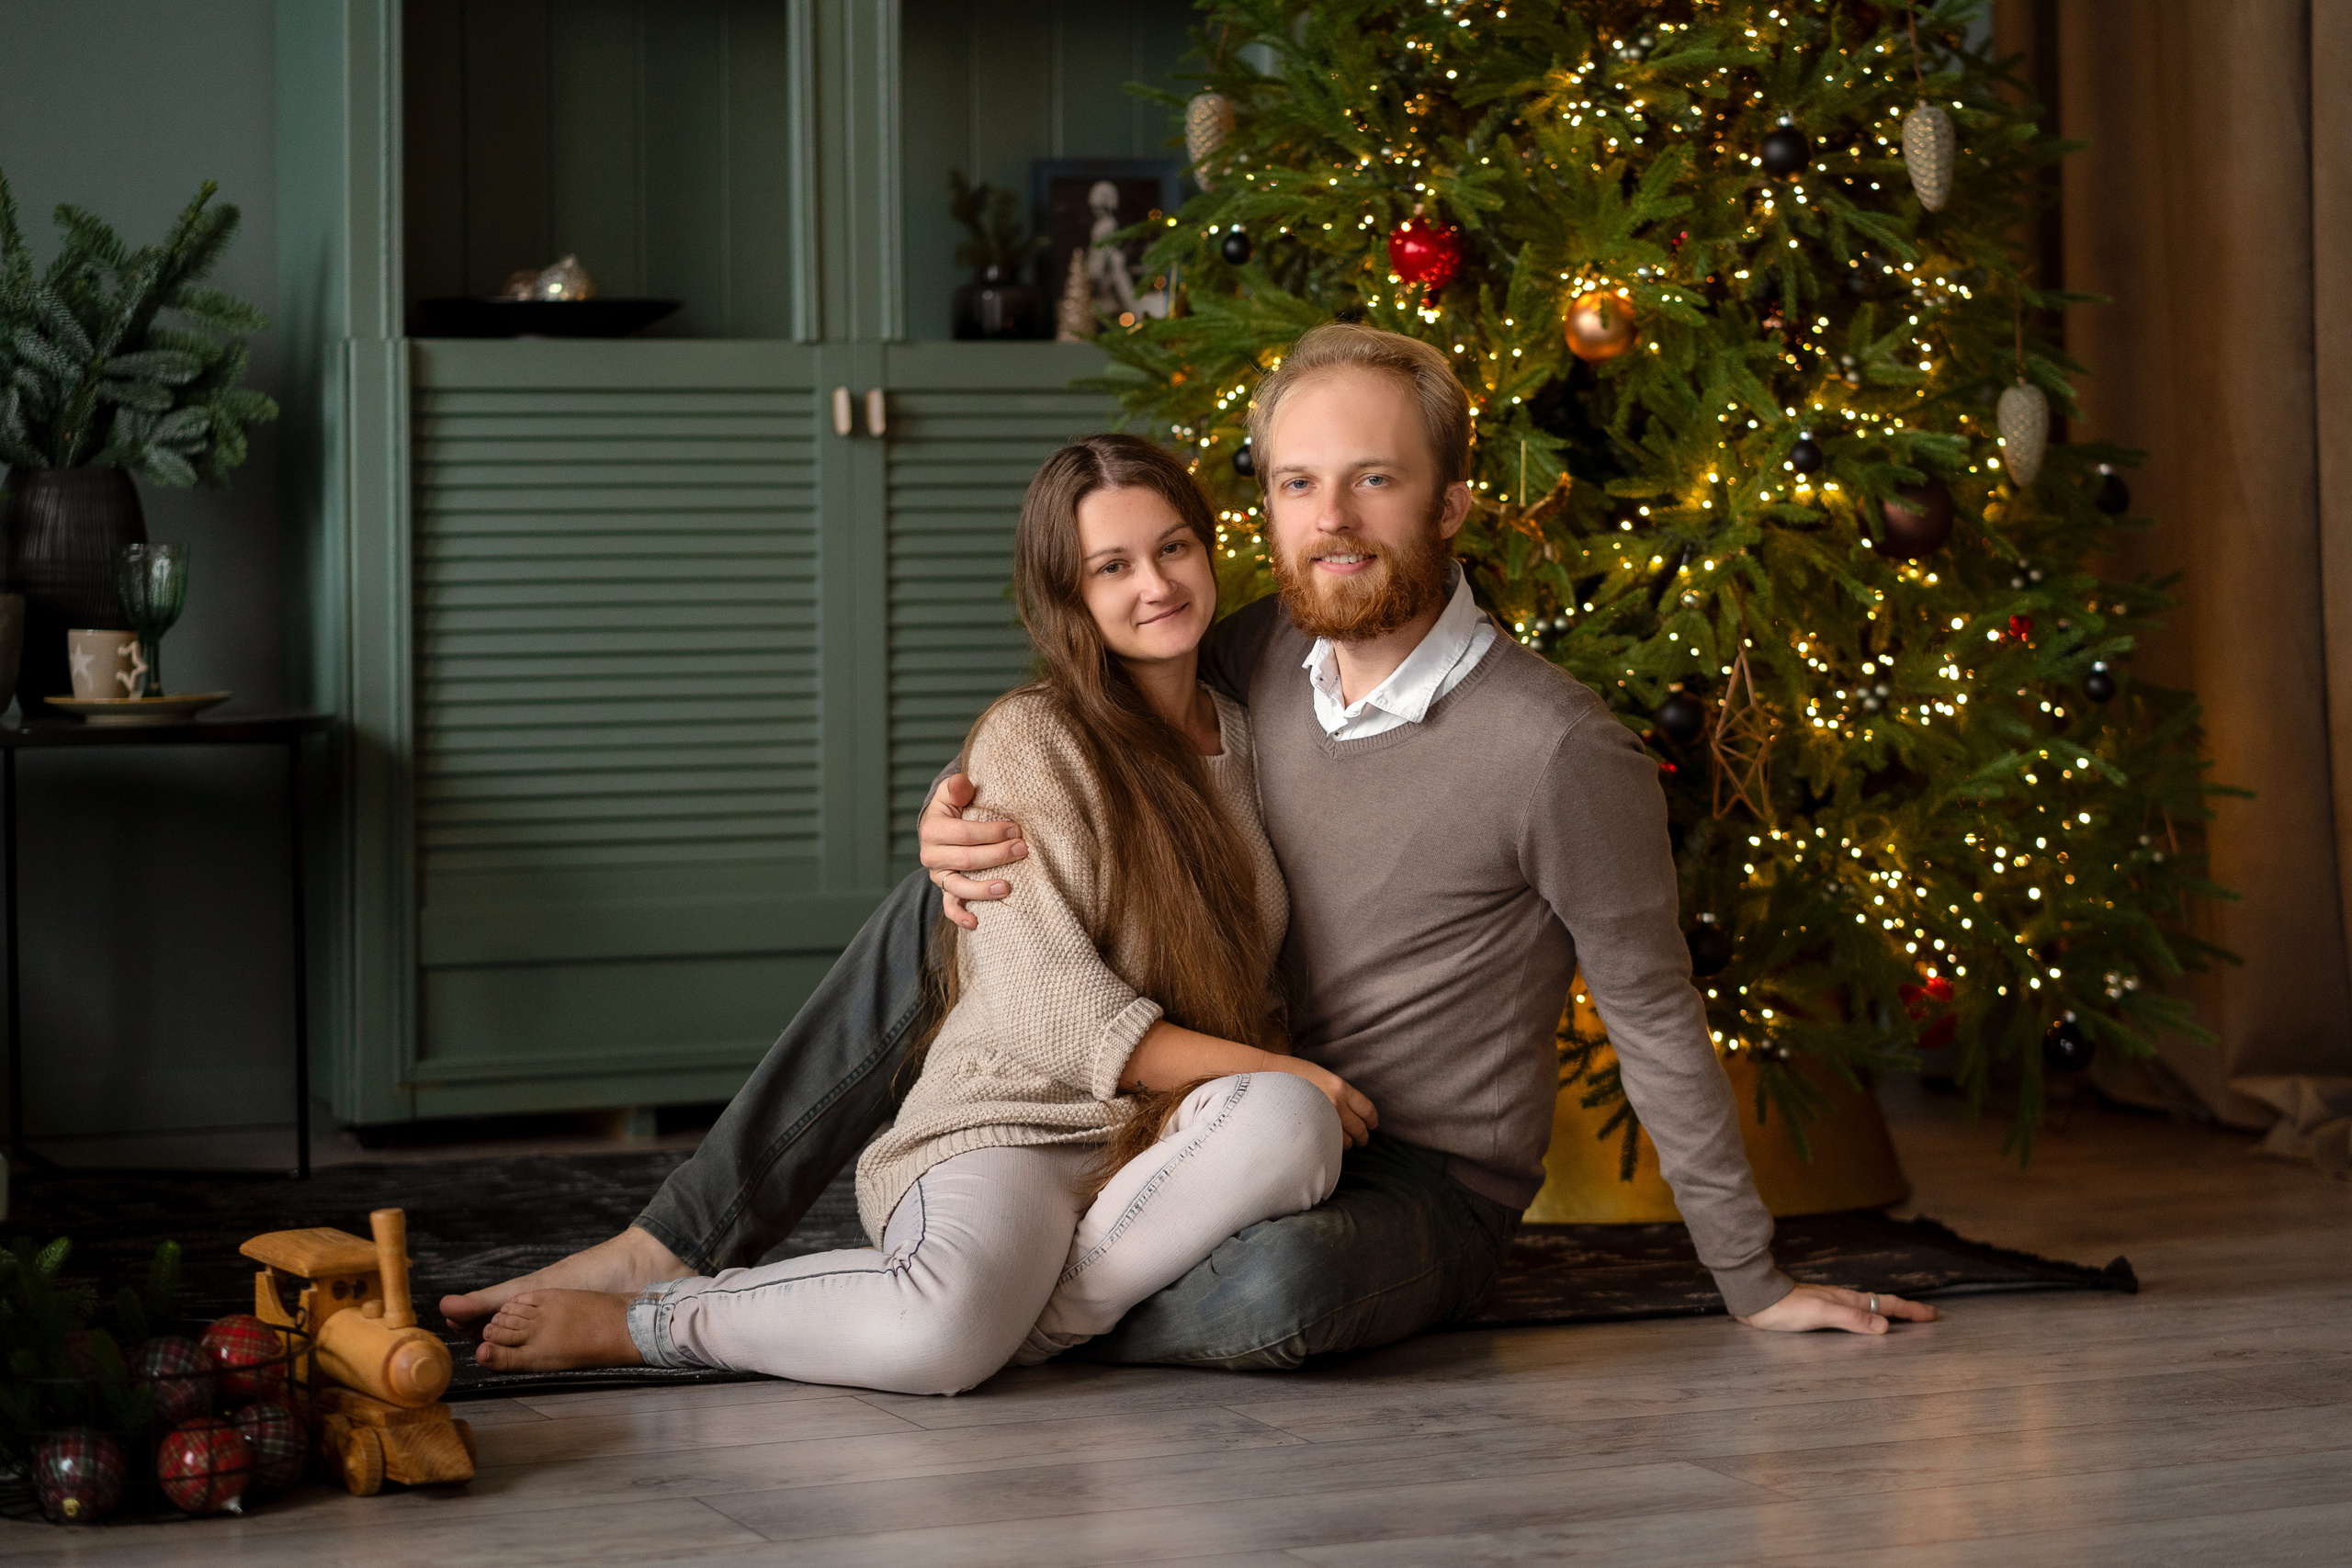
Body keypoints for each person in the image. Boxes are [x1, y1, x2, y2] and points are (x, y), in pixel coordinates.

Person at [446, 324, 1932, 1367]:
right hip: (1219, 1106)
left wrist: (1756, 1281)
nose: (1331, 521)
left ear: (1458, 502)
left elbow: (1661, 1014)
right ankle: (684, 1242)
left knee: (1272, 1302)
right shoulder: (1253, 654)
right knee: (953, 895)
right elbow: (1083, 704)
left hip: (1417, 1178)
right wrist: (956, 808)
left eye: (1374, 479)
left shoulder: (1556, 750)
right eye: (1294, 484)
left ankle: (952, 1318)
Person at [464, 435, 1369, 1391]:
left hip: (1169, 1137)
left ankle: (997, 1321)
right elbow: (1058, 1017)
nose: (1156, 584)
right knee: (1282, 1100)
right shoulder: (1033, 737)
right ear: (1067, 598)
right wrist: (1278, 1066)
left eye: (1173, 548)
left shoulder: (1249, 734)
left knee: (1290, 1125)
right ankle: (662, 1321)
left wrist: (1278, 1083)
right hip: (1017, 1123)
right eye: (1112, 567)